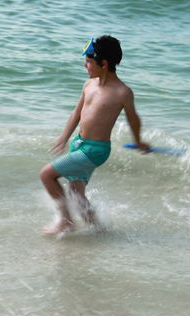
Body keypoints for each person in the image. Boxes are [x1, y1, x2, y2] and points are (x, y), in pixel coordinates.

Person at [39, 35, 150, 236]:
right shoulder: (88, 85)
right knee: (75, 194)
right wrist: (64, 137)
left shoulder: (122, 92)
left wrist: (139, 141)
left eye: (89, 62)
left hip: (95, 150)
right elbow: (76, 113)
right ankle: (99, 229)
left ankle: (66, 222)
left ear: (104, 64)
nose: (85, 66)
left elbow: (133, 119)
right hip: (78, 144)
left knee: (46, 174)